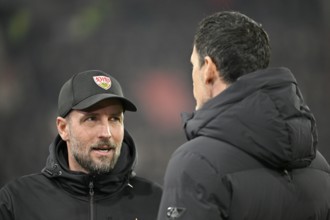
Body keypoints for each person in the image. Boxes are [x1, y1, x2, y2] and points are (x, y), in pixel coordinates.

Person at [157, 11, 330, 220]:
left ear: (209, 69)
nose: (192, 75)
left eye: (194, 65)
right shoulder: (317, 164)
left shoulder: (195, 163)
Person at [0, 70, 162, 220]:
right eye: (91, 119)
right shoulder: (17, 201)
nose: (106, 133)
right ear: (63, 129)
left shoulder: (157, 201)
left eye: (114, 119)